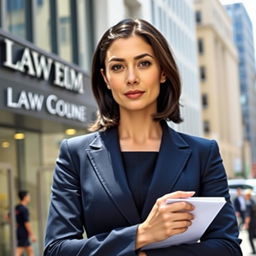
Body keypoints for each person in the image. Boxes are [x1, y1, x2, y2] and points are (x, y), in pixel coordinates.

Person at [44, 18, 242, 256]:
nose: (131, 78)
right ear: (106, 78)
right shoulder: (75, 154)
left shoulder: (203, 153)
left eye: (144, 63)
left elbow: (228, 247)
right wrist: (142, 234)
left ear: (163, 72)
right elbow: (56, 249)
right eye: (118, 67)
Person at [16, 190, 36, 256]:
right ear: (24, 197)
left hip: (19, 231)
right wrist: (32, 234)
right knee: (19, 251)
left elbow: (8, 216)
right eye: (28, 196)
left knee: (30, 250)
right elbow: (26, 223)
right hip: (23, 233)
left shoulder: (17, 207)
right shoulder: (24, 209)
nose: (29, 197)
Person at [244, 189, 256, 254]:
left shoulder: (248, 203)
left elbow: (248, 215)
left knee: (250, 237)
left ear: (248, 195)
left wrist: (246, 224)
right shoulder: (253, 202)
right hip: (254, 222)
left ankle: (253, 250)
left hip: (251, 223)